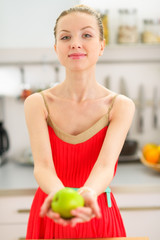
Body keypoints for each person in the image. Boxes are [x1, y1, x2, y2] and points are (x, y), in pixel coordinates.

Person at [24, 4, 135, 239]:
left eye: (86, 35)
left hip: (95, 211)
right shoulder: (37, 103)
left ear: (102, 46)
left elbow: (105, 166)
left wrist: (87, 194)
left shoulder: (121, 106)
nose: (75, 43)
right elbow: (43, 167)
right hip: (52, 210)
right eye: (66, 37)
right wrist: (60, 197)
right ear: (56, 48)